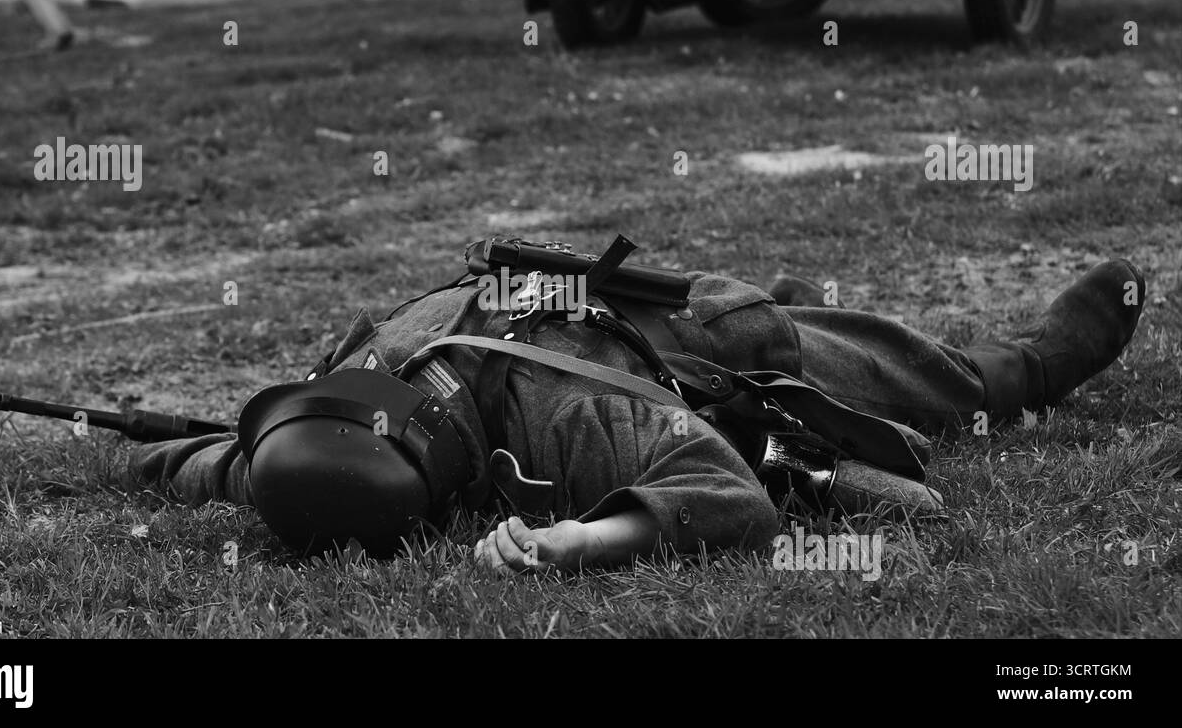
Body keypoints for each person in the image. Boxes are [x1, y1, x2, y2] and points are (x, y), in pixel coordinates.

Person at [125, 252, 1146, 576]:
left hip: (690, 337)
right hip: (617, 344)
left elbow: (727, 501)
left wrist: (578, 534)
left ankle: (1033, 361)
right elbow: (213, 461)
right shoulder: (318, 432)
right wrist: (140, 457)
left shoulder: (557, 412)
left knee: (944, 387)